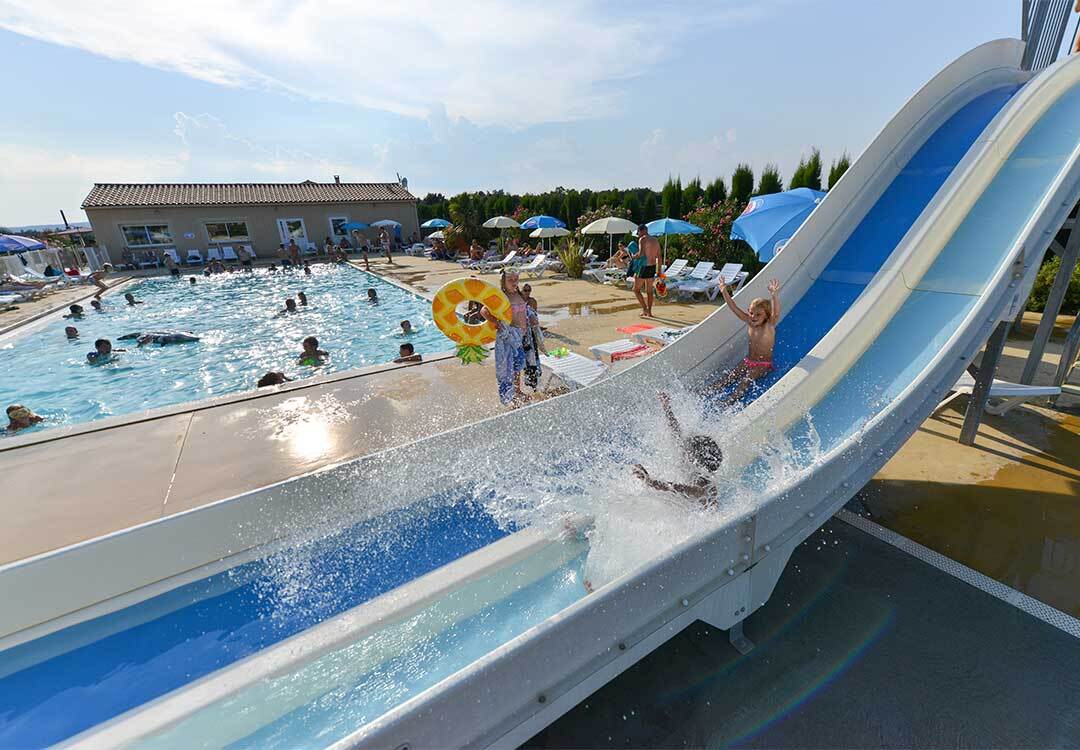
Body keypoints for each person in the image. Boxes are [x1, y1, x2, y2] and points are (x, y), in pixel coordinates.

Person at [632, 392, 722, 506]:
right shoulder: (695, 468)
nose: (684, 450)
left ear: (694, 458)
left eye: (687, 450)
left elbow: (674, 488)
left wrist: (650, 481)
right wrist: (667, 408)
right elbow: (676, 434)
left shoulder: (704, 487)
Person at [707, 279, 782, 403]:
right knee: (730, 376)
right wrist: (724, 291)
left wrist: (774, 296)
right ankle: (706, 391)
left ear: (767, 316)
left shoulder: (769, 325)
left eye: (758, 315)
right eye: (751, 313)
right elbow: (733, 307)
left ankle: (731, 400)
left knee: (747, 379)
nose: (753, 317)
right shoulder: (749, 321)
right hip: (748, 361)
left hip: (763, 365)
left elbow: (776, 313)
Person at [482, 270, 529, 406]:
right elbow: (484, 311)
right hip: (508, 337)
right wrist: (494, 321)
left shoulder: (518, 294)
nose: (514, 282)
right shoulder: (501, 296)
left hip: (519, 336)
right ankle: (510, 395)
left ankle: (517, 390)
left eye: (516, 279)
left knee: (517, 364)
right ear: (503, 282)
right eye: (510, 280)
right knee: (509, 366)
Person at [520, 283, 546, 389]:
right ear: (521, 291)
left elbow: (535, 316)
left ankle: (535, 379)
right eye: (525, 290)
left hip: (531, 332)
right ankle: (528, 378)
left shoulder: (533, 301)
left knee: (534, 354)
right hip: (522, 333)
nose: (527, 292)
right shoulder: (518, 302)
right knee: (525, 356)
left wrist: (538, 328)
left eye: (529, 290)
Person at [632, 225, 660, 317]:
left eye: (638, 232)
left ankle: (645, 309)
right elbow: (659, 256)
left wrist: (634, 256)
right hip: (652, 266)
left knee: (636, 290)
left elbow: (641, 254)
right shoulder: (655, 240)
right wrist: (659, 271)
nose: (638, 235)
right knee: (649, 291)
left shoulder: (642, 239)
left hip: (643, 266)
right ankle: (650, 312)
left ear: (642, 231)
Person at [119, 330, 201, 346]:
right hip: (170, 336)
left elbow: (141, 341)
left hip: (167, 338)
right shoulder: (146, 333)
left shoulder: (143, 334)